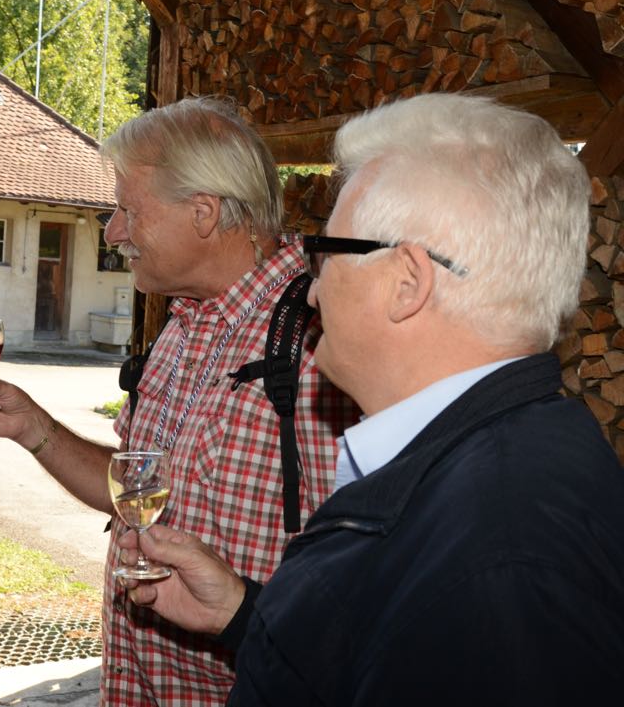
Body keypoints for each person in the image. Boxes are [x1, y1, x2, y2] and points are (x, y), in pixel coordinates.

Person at [119, 93, 624, 705]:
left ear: (407, 282)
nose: (309, 293)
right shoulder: (502, 464)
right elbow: (386, 656)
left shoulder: (502, 557)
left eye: (328, 255)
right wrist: (243, 612)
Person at [0, 96, 357, 704]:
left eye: (126, 211)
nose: (113, 232)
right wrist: (34, 428)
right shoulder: (181, 321)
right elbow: (138, 495)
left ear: (203, 213)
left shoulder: (327, 332)